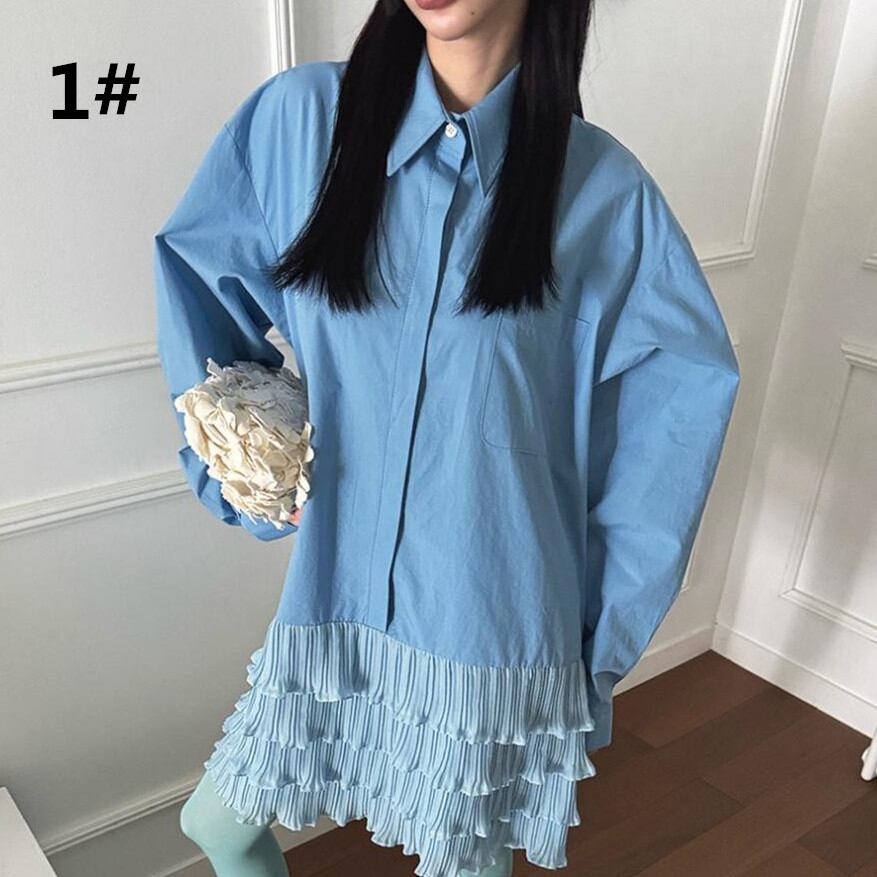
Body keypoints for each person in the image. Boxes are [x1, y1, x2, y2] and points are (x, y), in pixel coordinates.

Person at [153, 0, 741, 875]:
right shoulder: (298, 124)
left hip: (491, 623)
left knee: (464, 862)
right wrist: (253, 474)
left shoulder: (604, 193)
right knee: (220, 824)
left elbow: (667, 438)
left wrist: (596, 645)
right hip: (333, 602)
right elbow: (201, 288)